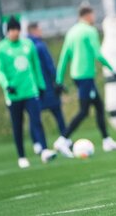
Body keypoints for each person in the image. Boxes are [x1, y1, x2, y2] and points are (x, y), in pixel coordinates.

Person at [53, 6, 116, 156]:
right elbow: (98, 54)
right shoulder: (89, 31)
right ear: (87, 15)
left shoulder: (72, 32)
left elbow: (64, 57)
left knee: (98, 106)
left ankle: (106, 140)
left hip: (77, 76)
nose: (94, 18)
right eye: (93, 15)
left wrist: (59, 79)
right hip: (85, 76)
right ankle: (62, 139)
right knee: (84, 111)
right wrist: (113, 70)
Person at [0, 16, 57, 168]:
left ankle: (45, 150)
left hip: (30, 91)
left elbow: (36, 67)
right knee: (17, 125)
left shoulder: (28, 45)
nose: (15, 32)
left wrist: (41, 86)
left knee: (36, 121)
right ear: (7, 31)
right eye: (12, 30)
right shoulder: (0, 48)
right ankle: (21, 156)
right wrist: (6, 85)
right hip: (14, 94)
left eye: (17, 29)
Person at [27, 22, 70, 156]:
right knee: (58, 114)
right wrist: (57, 82)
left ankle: (38, 144)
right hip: (47, 87)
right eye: (39, 29)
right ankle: (65, 139)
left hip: (33, 88)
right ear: (34, 31)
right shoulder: (40, 46)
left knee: (34, 117)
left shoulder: (25, 47)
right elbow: (49, 65)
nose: (41, 31)